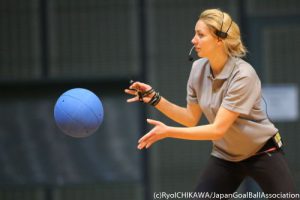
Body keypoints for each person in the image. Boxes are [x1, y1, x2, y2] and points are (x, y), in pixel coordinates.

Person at [125, 8, 297, 198]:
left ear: (219, 40)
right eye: (194, 34)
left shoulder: (243, 75)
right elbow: (190, 118)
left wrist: (168, 132)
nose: (193, 40)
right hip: (225, 155)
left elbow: (217, 130)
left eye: (200, 35)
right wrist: (156, 99)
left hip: (262, 151)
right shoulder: (198, 69)